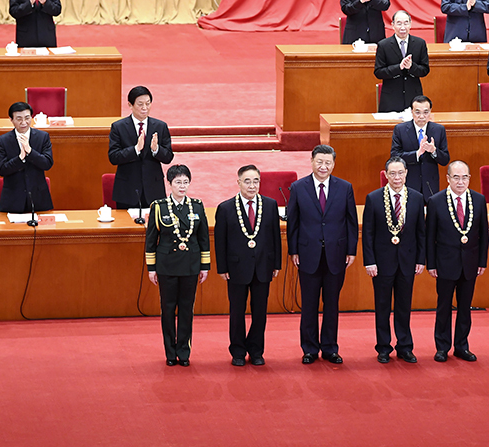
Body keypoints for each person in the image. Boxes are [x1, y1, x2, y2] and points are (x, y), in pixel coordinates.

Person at [287, 145, 358, 364]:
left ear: (333, 164)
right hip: (308, 254)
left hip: (336, 255)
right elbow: (293, 222)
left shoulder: (345, 187)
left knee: (332, 304)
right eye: (319, 162)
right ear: (311, 162)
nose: (323, 166)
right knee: (309, 304)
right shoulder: (298, 187)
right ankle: (309, 349)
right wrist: (293, 250)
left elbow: (351, 222)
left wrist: (351, 250)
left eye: (328, 163)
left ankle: (330, 348)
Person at [214, 165, 282, 366]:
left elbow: (275, 237)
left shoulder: (270, 205)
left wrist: (276, 263)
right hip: (236, 269)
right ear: (238, 183)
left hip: (263, 267)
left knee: (260, 312)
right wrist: (222, 267)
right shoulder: (225, 208)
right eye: (247, 181)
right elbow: (220, 240)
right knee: (237, 312)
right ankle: (237, 351)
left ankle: (256, 350)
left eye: (256, 181)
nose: (252, 186)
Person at [362, 157, 426, 364]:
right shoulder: (373, 198)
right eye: (392, 173)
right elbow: (368, 233)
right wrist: (369, 261)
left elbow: (421, 233)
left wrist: (421, 259)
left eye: (400, 173)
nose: (397, 177)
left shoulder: (417, 198)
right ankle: (383, 347)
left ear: (406, 173)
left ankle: (405, 346)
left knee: (404, 306)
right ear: (386, 175)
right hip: (381, 263)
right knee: (382, 306)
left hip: (408, 261)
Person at [145, 165, 210, 367]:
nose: (182, 186)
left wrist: (205, 266)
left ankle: (184, 351)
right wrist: (151, 268)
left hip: (190, 265)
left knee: (186, 309)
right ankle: (170, 352)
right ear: (169, 183)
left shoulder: (197, 206)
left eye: (185, 182)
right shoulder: (159, 207)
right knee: (167, 309)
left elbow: (204, 238)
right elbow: (151, 240)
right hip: (167, 266)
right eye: (178, 182)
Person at [426, 161, 489, 363]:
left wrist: (482, 261)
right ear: (448, 179)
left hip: (470, 263)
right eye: (456, 177)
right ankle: (442, 347)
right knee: (443, 307)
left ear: (469, 178)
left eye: (464, 177)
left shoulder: (479, 200)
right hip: (445, 263)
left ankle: (462, 346)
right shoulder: (436, 201)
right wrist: (431, 264)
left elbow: (484, 234)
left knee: (465, 307)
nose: (460, 182)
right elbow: (430, 236)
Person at [108, 86, 174, 209]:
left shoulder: (160, 126)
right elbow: (113, 157)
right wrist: (135, 149)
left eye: (148, 103)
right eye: (140, 104)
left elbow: (168, 157)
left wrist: (156, 149)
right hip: (127, 191)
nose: (145, 108)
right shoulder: (118, 127)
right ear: (130, 105)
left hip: (154, 190)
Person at [0, 102, 54, 213]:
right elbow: (2, 169)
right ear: (11, 119)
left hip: (39, 198)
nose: (23, 122)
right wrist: (20, 158)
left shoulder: (43, 137)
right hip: (12, 200)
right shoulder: (3, 141)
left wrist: (30, 151)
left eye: (27, 118)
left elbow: (47, 163)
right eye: (19, 119)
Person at [390, 95, 450, 201]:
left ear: (430, 112)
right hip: (409, 183)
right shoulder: (400, 129)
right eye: (417, 112)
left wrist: (434, 151)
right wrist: (417, 154)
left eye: (425, 112)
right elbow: (395, 157)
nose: (421, 116)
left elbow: (445, 159)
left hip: (430, 185)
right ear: (411, 112)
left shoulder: (439, 130)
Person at [374, 11, 430, 112]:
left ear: (410, 24)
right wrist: (398, 67)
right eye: (399, 23)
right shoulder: (383, 45)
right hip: (391, 99)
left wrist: (411, 66)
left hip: (414, 97)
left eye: (406, 23)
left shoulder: (420, 43)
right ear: (393, 25)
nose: (403, 27)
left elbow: (425, 70)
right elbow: (378, 72)